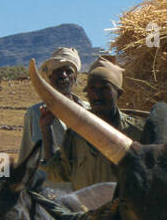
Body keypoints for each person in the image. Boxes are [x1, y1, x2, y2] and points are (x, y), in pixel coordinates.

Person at [40, 53, 148, 190]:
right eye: (92, 89)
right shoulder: (76, 133)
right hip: (84, 210)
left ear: (119, 93)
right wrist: (46, 128)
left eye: (105, 89)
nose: (97, 95)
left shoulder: (137, 132)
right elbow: (58, 174)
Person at [19, 47, 82, 191]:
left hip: (82, 194)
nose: (64, 75)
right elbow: (25, 158)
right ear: (50, 77)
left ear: (75, 77)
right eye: (58, 71)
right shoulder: (34, 114)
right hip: (47, 195)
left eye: (68, 71)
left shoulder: (89, 111)